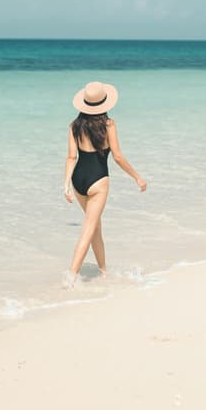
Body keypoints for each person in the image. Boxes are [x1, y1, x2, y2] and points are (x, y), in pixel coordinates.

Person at [64, 80, 146, 281]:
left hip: (78, 180)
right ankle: (71, 277)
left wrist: (66, 185)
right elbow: (117, 156)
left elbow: (71, 157)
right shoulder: (108, 125)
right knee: (88, 230)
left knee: (95, 227)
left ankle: (103, 271)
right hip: (98, 180)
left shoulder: (74, 126)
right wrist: (137, 177)